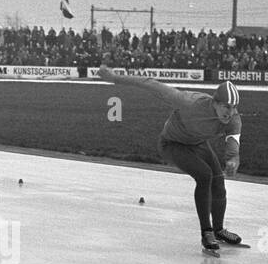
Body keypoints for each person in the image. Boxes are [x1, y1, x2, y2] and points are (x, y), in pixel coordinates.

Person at [98, 66, 243, 252]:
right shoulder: (189, 102)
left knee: (218, 180)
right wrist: (113, 77)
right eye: (226, 107)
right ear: (215, 102)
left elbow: (233, 139)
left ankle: (219, 229)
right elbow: (150, 84)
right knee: (205, 176)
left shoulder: (233, 119)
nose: (229, 112)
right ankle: (207, 232)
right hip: (172, 144)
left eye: (233, 108)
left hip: (197, 143)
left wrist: (232, 158)